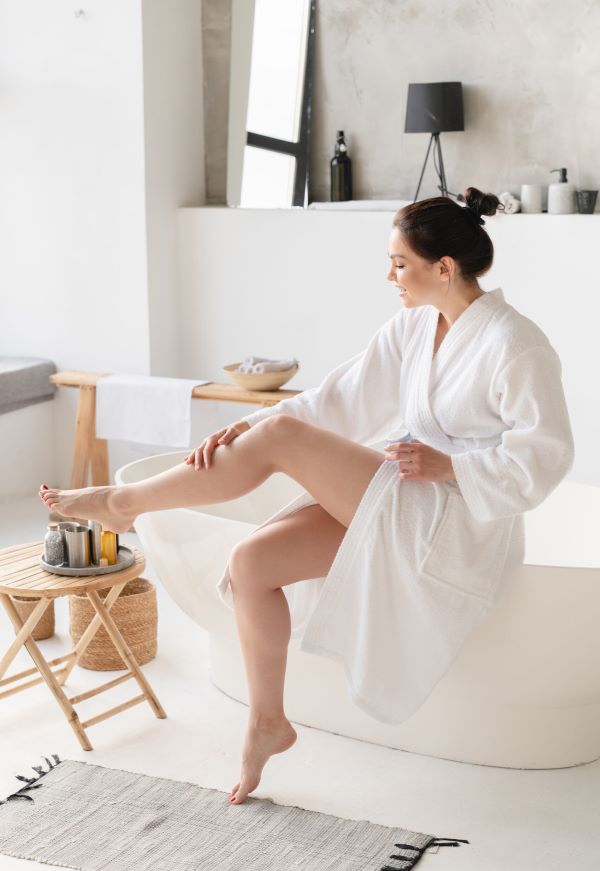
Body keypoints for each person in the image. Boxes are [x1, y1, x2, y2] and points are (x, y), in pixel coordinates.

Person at [39, 186, 575, 805]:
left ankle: (124, 504)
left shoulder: (514, 342)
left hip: (455, 522)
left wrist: (450, 465)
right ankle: (267, 722)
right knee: (251, 564)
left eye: (399, 263)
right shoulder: (414, 326)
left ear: (444, 268)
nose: (390, 276)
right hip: (405, 492)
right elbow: (338, 400)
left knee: (282, 438)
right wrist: (248, 428)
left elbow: (546, 456)